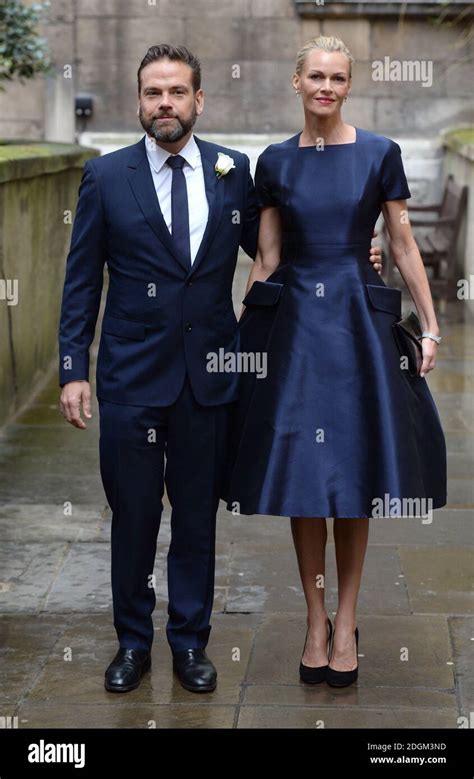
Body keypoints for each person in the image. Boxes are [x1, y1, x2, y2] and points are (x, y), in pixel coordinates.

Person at [58, 43, 382, 694]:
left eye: (178, 92)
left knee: (198, 520)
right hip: (128, 378)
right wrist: (73, 367)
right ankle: (131, 643)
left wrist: (348, 255)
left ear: (199, 100)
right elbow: (81, 282)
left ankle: (189, 643)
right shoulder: (105, 177)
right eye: (154, 93)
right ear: (139, 101)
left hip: (210, 377)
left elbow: (273, 252)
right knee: (135, 516)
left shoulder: (234, 173)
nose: (166, 104)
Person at [224, 36, 447, 688]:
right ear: (297, 82)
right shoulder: (275, 162)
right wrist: (241, 344)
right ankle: (314, 617)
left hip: (357, 328)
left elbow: (401, 242)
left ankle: (347, 620)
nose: (326, 86)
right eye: (316, 76)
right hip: (295, 331)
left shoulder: (380, 153)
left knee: (355, 477)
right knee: (302, 479)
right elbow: (264, 260)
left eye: (337, 78)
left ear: (348, 85)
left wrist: (430, 327)